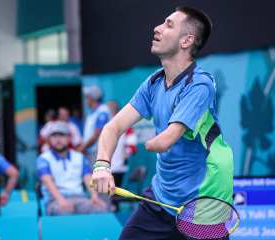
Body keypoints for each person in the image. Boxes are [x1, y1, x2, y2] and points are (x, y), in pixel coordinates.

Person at [91, 6, 233, 239]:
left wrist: (144, 144)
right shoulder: (155, 81)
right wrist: (102, 166)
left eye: (169, 25)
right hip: (161, 198)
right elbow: (113, 127)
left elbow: (166, 140)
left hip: (203, 202)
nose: (157, 28)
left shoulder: (199, 84)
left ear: (187, 40)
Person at [36, 121, 108, 216]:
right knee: (65, 211)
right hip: (54, 200)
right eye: (54, 135)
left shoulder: (79, 157)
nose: (58, 139)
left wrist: (94, 196)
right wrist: (61, 200)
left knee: (101, 209)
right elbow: (47, 181)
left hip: (80, 197)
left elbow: (88, 178)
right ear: (50, 139)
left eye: (62, 135)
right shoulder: (43, 158)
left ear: (69, 138)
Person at [77, 85, 112, 167]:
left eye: (87, 97)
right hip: (92, 150)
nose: (86, 99)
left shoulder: (102, 112)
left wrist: (82, 148)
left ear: (91, 98)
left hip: (97, 152)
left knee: (98, 177)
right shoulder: (94, 112)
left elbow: (96, 135)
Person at [106, 100, 138, 187]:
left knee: (114, 193)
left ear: (112, 109)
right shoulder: (103, 123)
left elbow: (132, 144)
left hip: (117, 166)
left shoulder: (125, 123)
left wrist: (127, 152)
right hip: (103, 165)